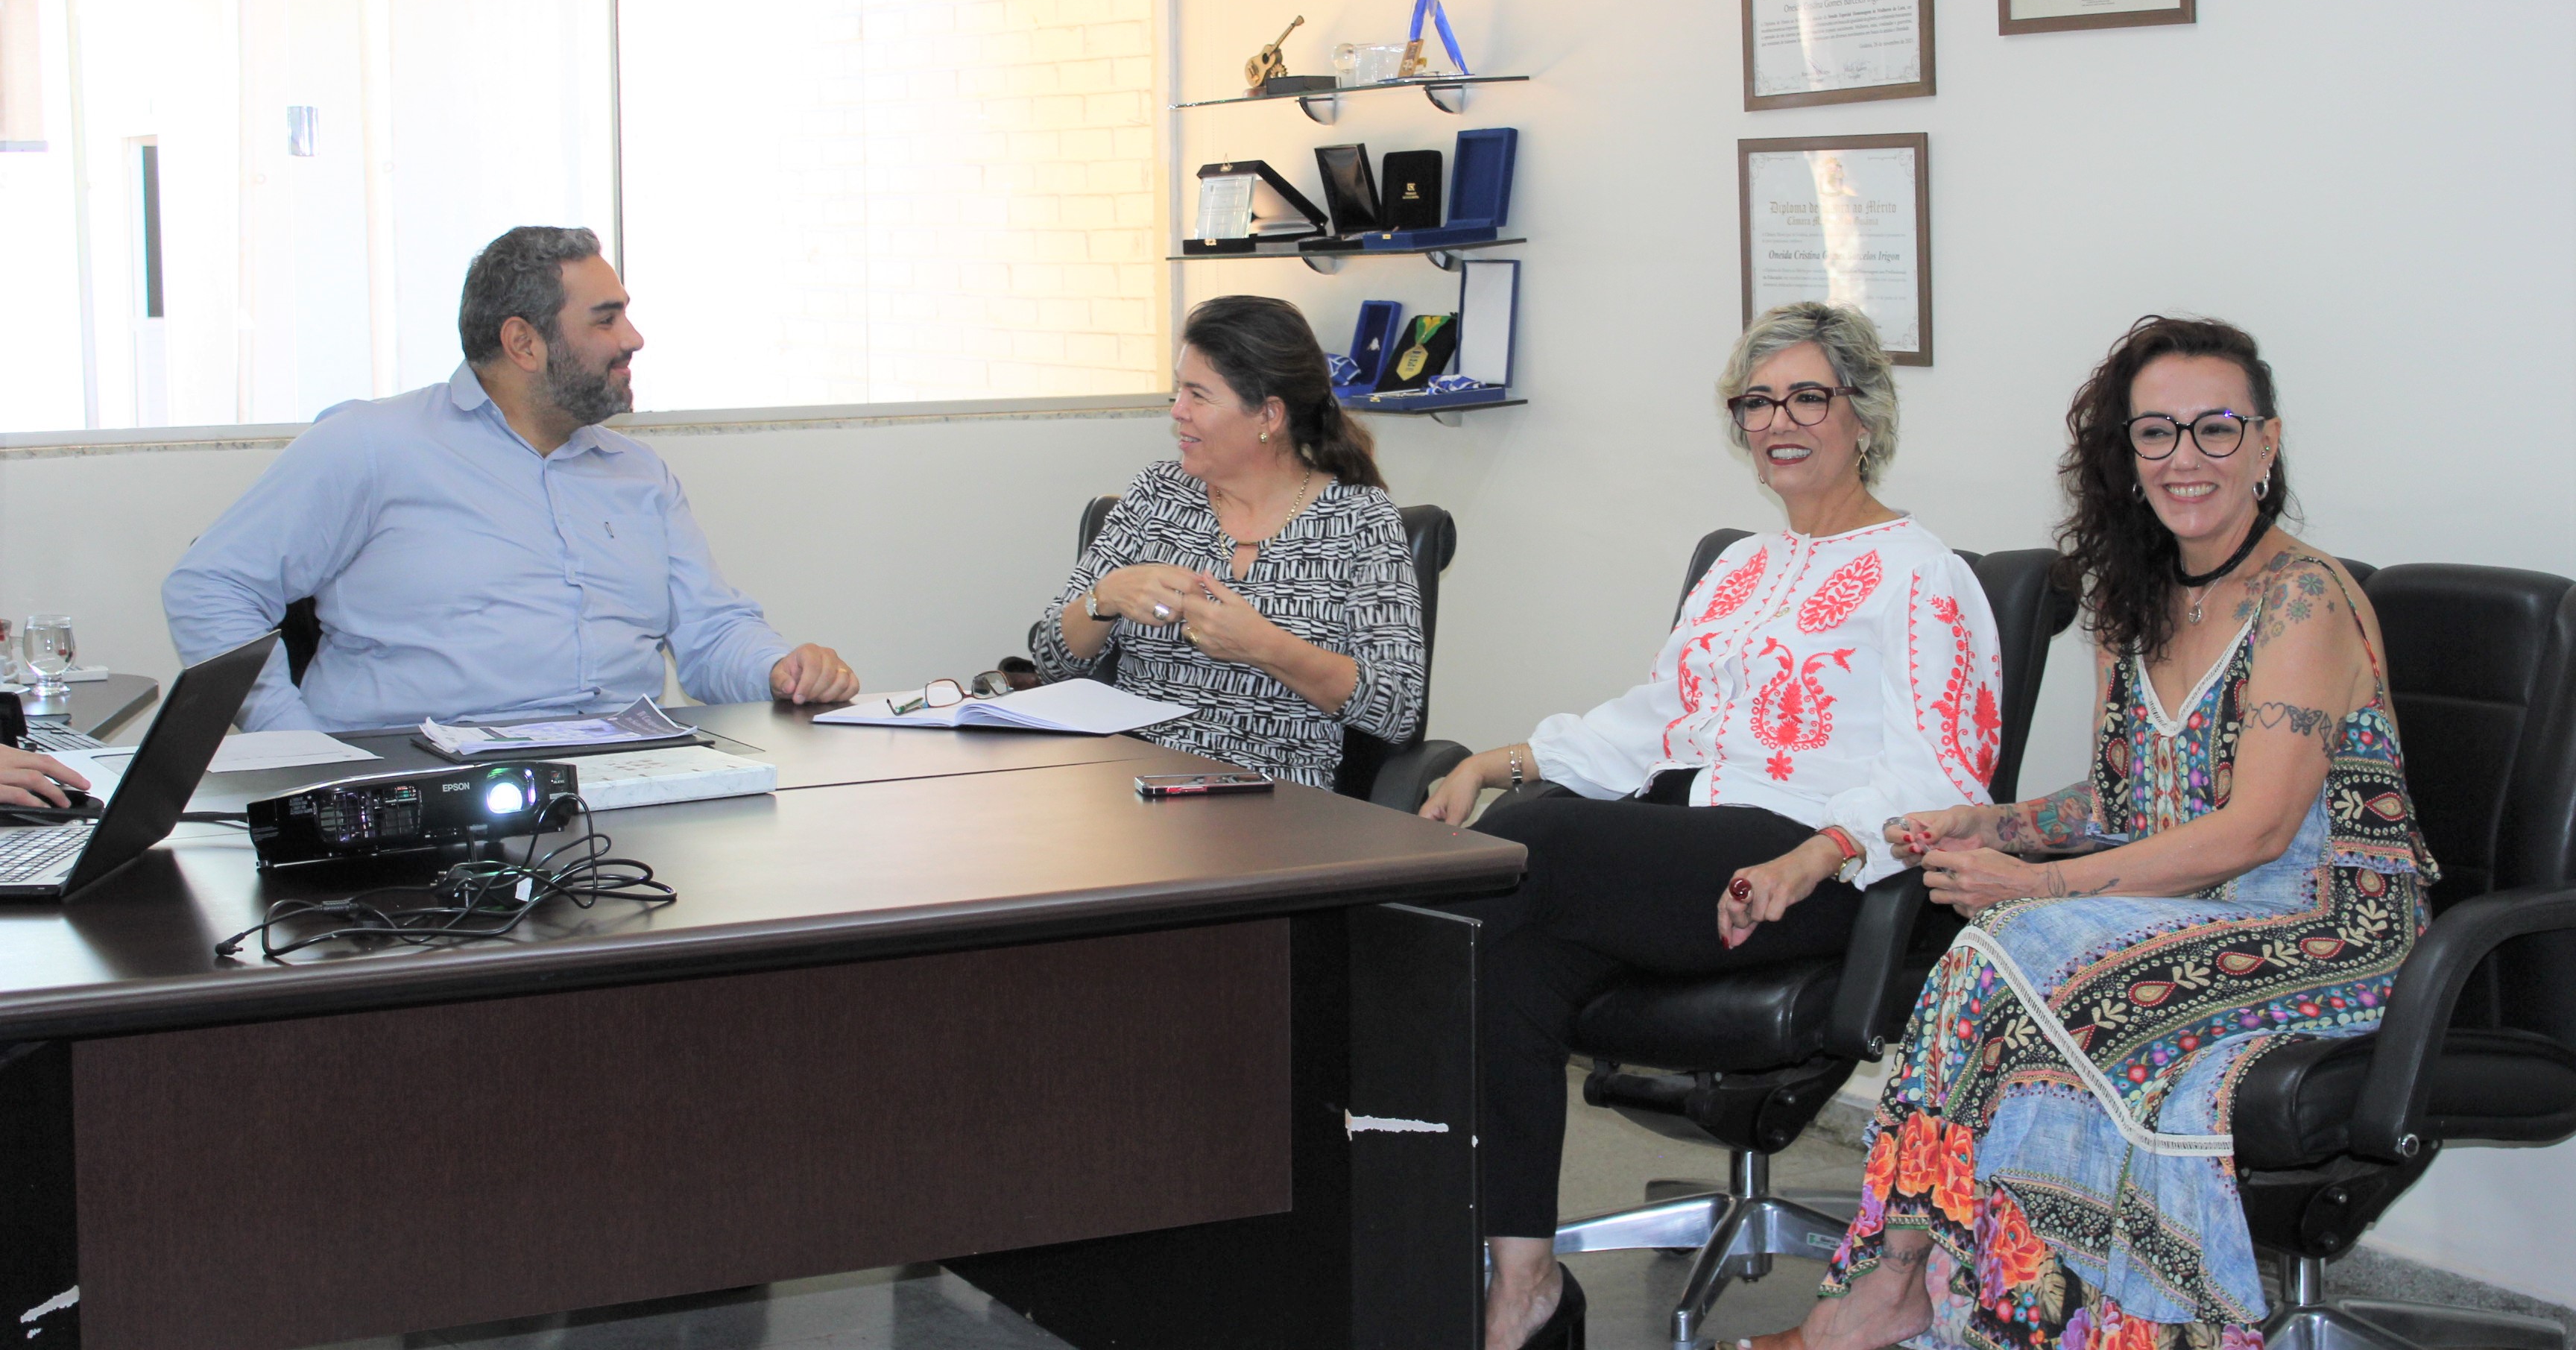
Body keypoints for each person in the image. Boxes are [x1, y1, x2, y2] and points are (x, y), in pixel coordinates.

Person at [1755, 316, 2434, 1350]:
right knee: (2010, 971)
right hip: (2187, 911)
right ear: (2127, 454)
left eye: (2216, 429)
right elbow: (2122, 802)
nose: (2185, 459)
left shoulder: (2307, 600)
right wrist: (1991, 821)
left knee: (2010, 952)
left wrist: (2042, 888)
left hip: (2331, 929)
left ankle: (1920, 1298)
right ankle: (1967, 1301)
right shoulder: (2136, 598)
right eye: (2155, 434)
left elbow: (2254, 834)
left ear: (2267, 443)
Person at [1419, 300, 2004, 1350]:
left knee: (1531, 851)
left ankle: (1468, 1266)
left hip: (1819, 872)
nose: (1779, 421)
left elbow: (1942, 775)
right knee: (1508, 955)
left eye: (1807, 398)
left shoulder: (1924, 576)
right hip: (1697, 848)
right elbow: (1656, 725)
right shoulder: (1740, 567)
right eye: (1757, 401)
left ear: (1863, 414)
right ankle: (1525, 1289)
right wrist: (1493, 762)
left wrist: (1818, 852)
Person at [162, 226, 858, 734]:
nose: (633, 339)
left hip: (625, 775)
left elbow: (710, 633)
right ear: (524, 343)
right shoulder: (372, 446)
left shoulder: (638, 475)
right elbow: (210, 586)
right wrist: (297, 749)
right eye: (606, 319)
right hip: (419, 777)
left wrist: (778, 667)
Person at [1032, 294, 1424, 790]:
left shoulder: (1361, 523)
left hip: (1278, 805)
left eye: (1198, 395)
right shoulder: (1157, 494)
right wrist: (1104, 597)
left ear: (1268, 415)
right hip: (1132, 792)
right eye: (1179, 391)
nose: (1177, 412)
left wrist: (1262, 645)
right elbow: (1051, 661)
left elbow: (1397, 711)